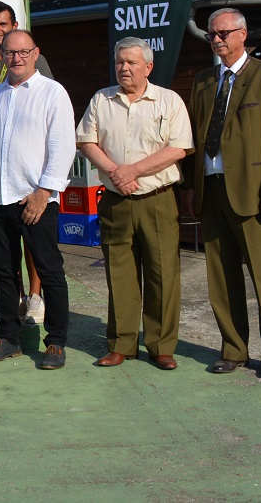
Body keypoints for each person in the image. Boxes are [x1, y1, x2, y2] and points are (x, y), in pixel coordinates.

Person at [186, 7, 261, 379]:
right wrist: (191, 186)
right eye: (212, 35)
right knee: (221, 277)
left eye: (223, 33)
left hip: (254, 193)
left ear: (242, 34)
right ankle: (233, 349)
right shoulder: (202, 80)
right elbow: (197, 137)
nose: (216, 39)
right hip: (212, 190)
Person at [77, 38, 193, 370]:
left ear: (148, 67)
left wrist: (133, 171)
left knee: (162, 275)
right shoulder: (102, 99)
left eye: (131, 62)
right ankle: (122, 344)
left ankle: (161, 346)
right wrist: (116, 173)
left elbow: (178, 148)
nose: (124, 68)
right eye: (119, 62)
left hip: (157, 201)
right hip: (116, 200)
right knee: (121, 275)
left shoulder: (168, 101)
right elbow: (86, 140)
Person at [0, 29, 74, 370]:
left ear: (35, 53)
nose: (15, 57)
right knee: (4, 271)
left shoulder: (52, 93)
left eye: (22, 52)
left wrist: (43, 192)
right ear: (1, 55)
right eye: (9, 52)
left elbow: (63, 147)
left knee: (49, 270)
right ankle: (9, 337)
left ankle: (56, 342)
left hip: (35, 200)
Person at [0, 1, 54, 327]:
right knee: (5, 246)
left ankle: (35, 297)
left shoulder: (37, 60)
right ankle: (14, 298)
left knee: (32, 242)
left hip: (30, 173)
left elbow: (48, 108)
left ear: (13, 24)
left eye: (2, 24)